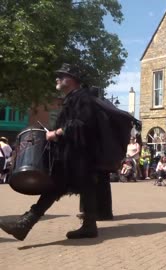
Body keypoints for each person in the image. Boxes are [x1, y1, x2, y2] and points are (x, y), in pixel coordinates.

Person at [0, 63, 103, 240]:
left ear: (70, 80)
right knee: (70, 187)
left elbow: (83, 123)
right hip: (74, 155)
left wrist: (56, 133)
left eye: (61, 76)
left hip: (79, 155)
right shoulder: (73, 98)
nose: (57, 78)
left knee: (61, 187)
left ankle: (24, 225)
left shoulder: (83, 98)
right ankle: (88, 226)